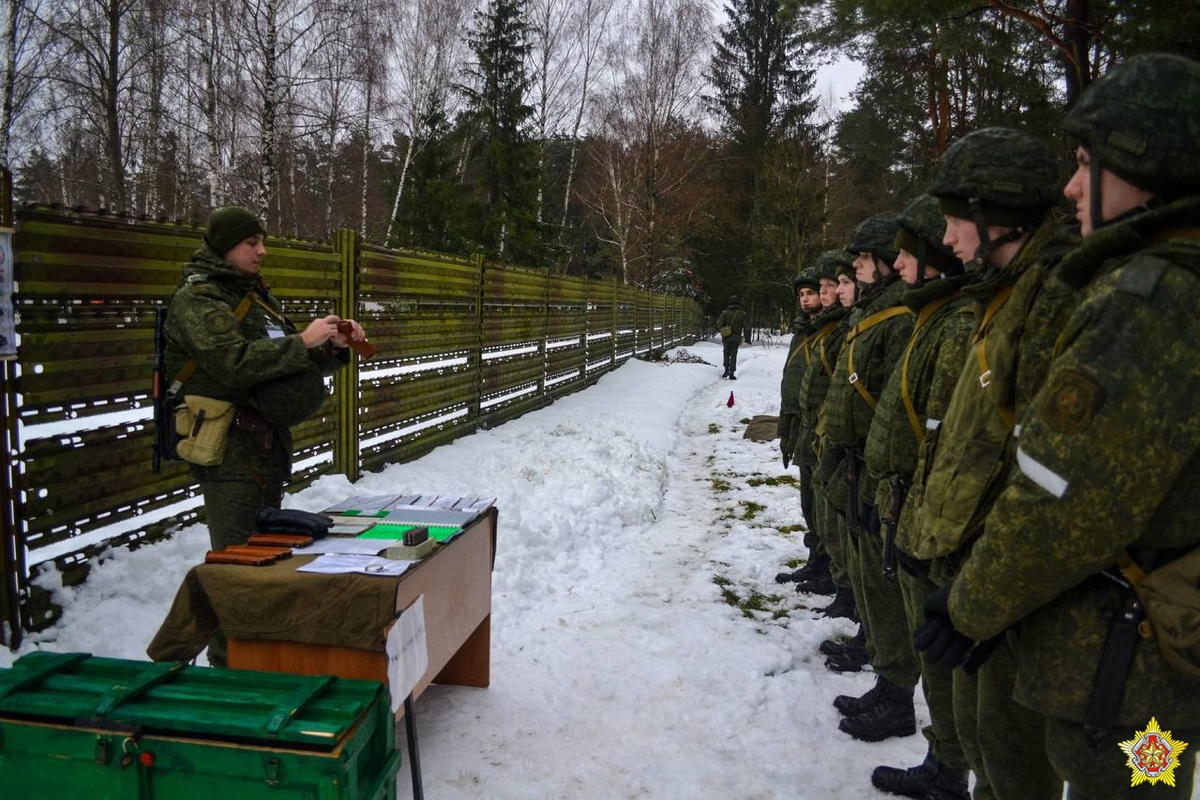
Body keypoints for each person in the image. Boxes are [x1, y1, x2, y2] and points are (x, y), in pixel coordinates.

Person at [918, 53, 1200, 800]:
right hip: (1145, 655)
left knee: (1133, 786)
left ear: (1147, 161)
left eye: (1087, 163)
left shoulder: (1148, 301)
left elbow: (1059, 491)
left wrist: (972, 603)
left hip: (1124, 655)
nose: (1070, 187)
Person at [906, 127, 1078, 800]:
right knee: (990, 744)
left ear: (994, 211)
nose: (947, 240)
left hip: (1017, 581)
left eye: (954, 220)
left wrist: (984, 588)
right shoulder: (1009, 294)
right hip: (987, 570)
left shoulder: (1054, 296)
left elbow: (1047, 469)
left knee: (1015, 761)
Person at [163, 207, 366, 663]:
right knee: (238, 564)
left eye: (262, 241)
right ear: (223, 246)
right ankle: (229, 666)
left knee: (262, 558)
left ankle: (258, 657)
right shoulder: (198, 300)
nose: (262, 251)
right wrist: (302, 342)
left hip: (265, 447)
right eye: (250, 243)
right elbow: (232, 364)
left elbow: (280, 366)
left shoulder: (256, 298)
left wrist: (330, 350)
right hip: (228, 452)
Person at [861, 194, 975, 798]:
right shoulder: (935, 320)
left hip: (1139, 626)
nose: (900, 264)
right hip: (913, 509)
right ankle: (946, 764)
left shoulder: (954, 327)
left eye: (910, 251)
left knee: (1139, 764)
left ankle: (950, 766)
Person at [823, 211, 920, 742]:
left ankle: (896, 688)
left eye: (861, 260)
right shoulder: (873, 314)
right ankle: (885, 674)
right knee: (867, 574)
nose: (853, 270)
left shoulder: (897, 318)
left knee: (883, 584)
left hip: (879, 471)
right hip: (860, 464)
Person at [715, 295, 747, 378]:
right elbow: (746, 326)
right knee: (734, 354)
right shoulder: (742, 313)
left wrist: (725, 330)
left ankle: (726, 371)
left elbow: (719, 325)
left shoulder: (724, 313)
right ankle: (732, 373)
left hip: (726, 337)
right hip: (736, 338)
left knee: (726, 353)